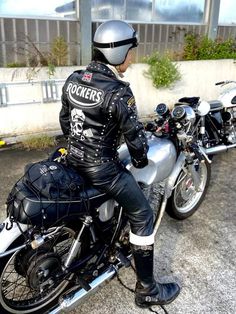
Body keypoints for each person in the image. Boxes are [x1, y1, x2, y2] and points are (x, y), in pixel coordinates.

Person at [59, 20, 180, 308]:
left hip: (72, 158)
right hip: (102, 170)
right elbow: (135, 140)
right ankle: (148, 289)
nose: (131, 58)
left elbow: (66, 121)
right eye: (130, 51)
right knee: (142, 214)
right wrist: (139, 160)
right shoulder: (118, 92)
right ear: (118, 52)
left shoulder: (74, 79)